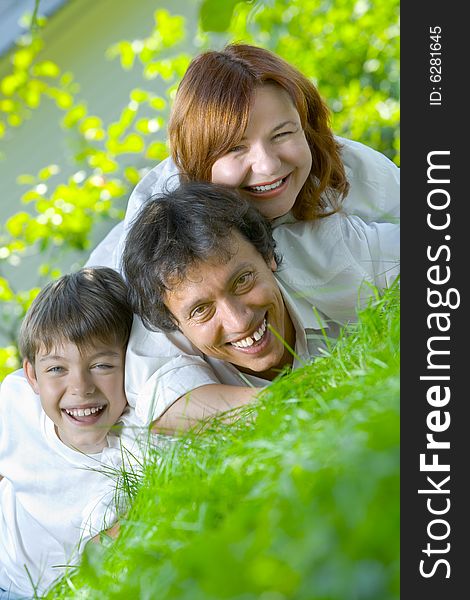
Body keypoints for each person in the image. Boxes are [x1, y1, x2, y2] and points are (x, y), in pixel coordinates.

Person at [85, 43, 400, 430]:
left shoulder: (351, 173)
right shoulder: (160, 239)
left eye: (283, 134)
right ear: (197, 161)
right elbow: (159, 392)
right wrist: (299, 400)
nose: (267, 165)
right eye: (235, 149)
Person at [121, 182, 399, 431]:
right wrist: (290, 402)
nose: (238, 321)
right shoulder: (164, 348)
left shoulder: (333, 253)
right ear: (174, 325)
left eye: (242, 281)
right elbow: (157, 403)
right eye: (201, 310)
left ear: (268, 256)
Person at [0, 267, 144, 599]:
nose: (80, 388)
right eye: (56, 369)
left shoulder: (140, 442)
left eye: (102, 365)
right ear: (32, 376)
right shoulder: (16, 399)